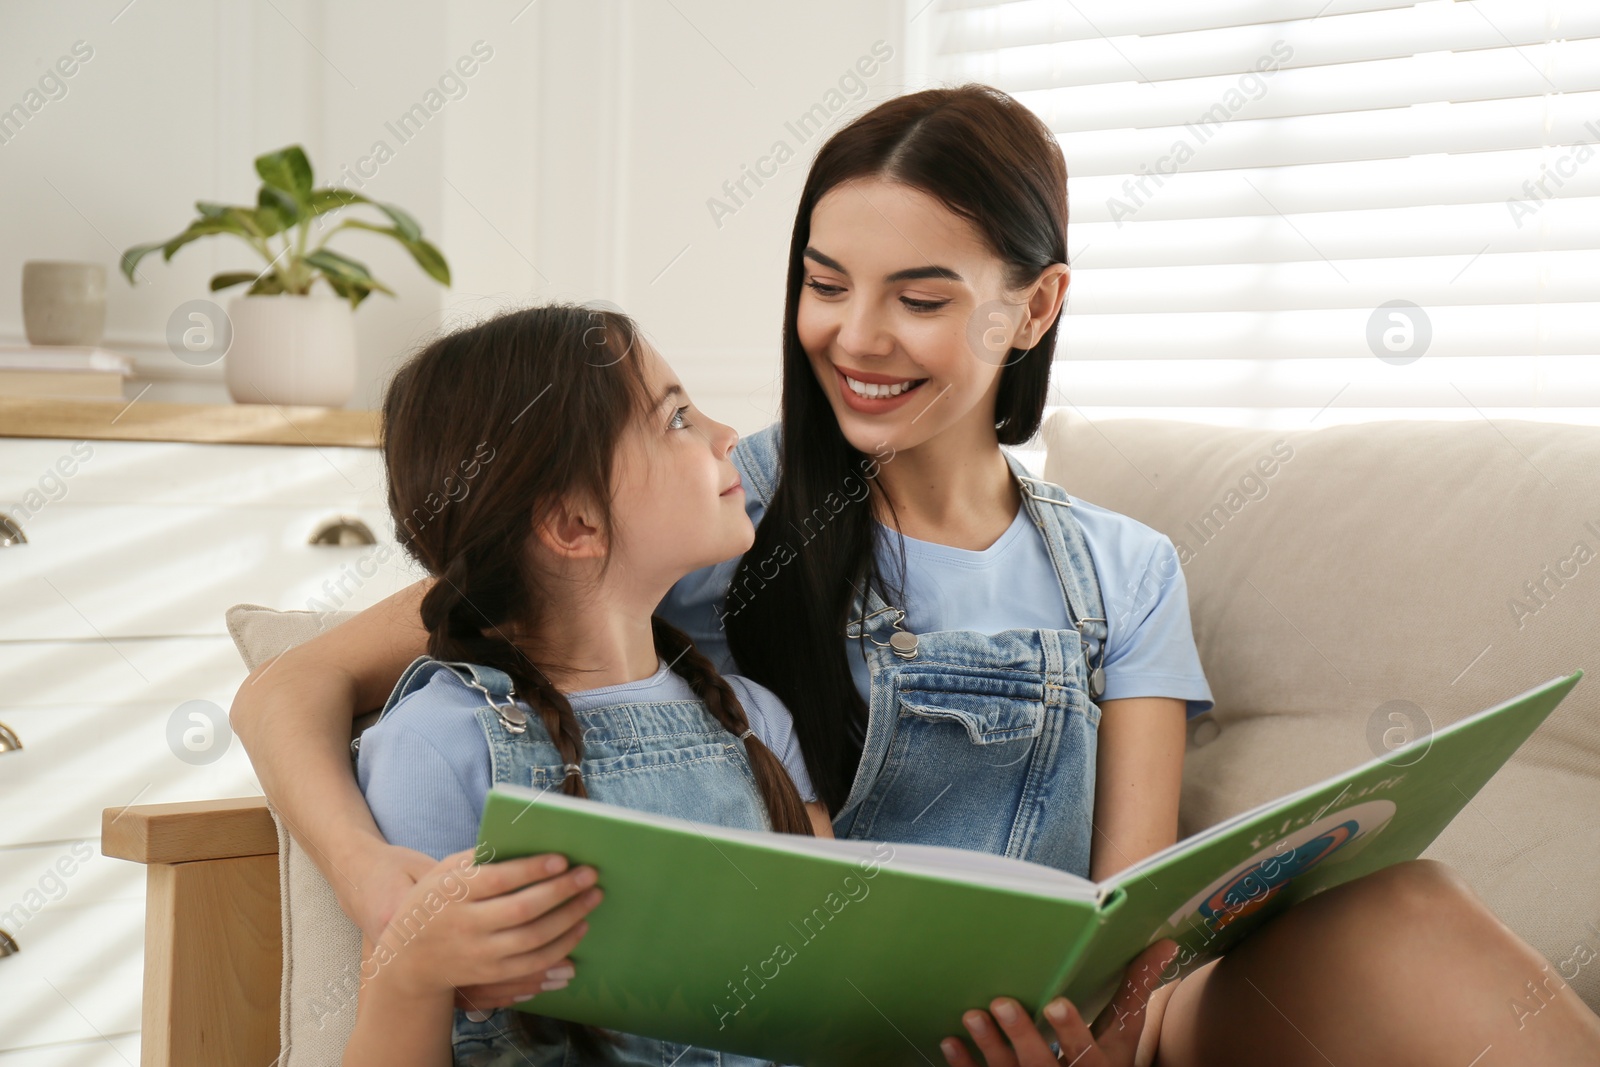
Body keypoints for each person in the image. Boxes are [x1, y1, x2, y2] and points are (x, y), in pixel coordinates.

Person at [234, 87, 1600, 1066]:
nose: (856, 337)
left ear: (1034, 308)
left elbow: (1127, 910)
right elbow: (298, 686)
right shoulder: (715, 502)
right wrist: (379, 889)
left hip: (1063, 1033)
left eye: (921, 297)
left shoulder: (1122, 569)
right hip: (827, 1032)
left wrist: (1089, 1025)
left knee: (1403, 908)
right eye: (827, 285)